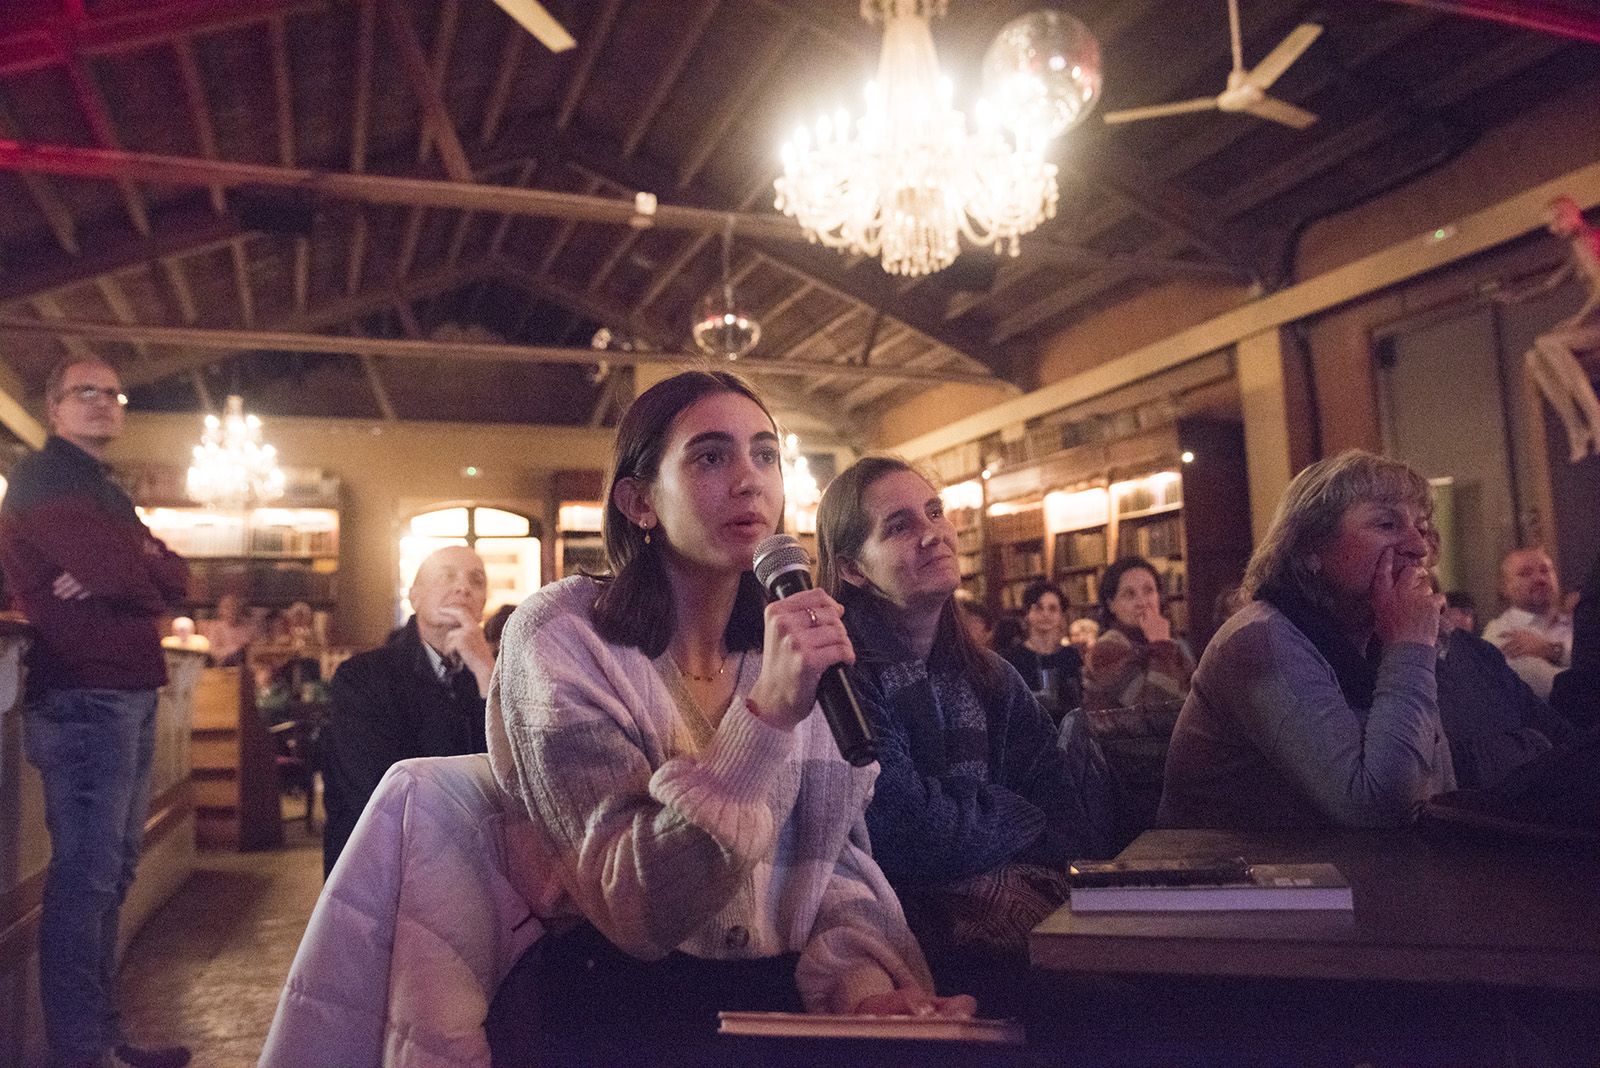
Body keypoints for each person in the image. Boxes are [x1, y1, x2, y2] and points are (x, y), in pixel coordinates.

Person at [484, 373, 967, 1065]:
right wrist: (767, 718)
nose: (750, 482)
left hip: (777, 1000)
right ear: (639, 500)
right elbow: (632, 909)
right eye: (712, 457)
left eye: (765, 455)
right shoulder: (564, 636)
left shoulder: (786, 638)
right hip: (622, 1010)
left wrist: (865, 991)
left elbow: (827, 861)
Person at [814, 457, 1113, 976]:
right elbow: (905, 833)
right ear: (851, 569)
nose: (934, 535)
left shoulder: (994, 677)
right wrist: (1015, 812)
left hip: (1013, 917)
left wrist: (978, 825)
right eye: (900, 526)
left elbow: (1067, 823)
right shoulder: (840, 678)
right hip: (889, 936)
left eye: (934, 512)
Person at [0, 357, 191, 1068]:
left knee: (112, 871)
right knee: (86, 878)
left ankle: (106, 1040)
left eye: (115, 393)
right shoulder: (45, 480)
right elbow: (134, 574)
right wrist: (138, 572)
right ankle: (80, 1052)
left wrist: (136, 568)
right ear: (54, 408)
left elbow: (175, 571)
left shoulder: (98, 487)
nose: (107, 402)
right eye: (88, 392)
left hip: (126, 691)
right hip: (83, 694)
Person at [1159, 451, 1455, 829]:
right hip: (1230, 881)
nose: (1419, 547)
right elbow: (1376, 807)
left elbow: (1438, 792)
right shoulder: (1261, 639)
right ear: (1310, 547)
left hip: (1340, 876)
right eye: (1386, 524)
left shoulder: (1379, 636)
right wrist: (1410, 651)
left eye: (1423, 526)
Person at [321, 545, 494, 875]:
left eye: (476, 580)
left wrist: (486, 674)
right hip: (384, 865)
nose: (463, 587)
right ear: (414, 596)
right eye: (446, 576)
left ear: (483, 604)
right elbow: (381, 792)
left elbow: (511, 779)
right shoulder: (362, 677)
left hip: (478, 866)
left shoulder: (493, 672)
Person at [1081, 557, 1194, 714]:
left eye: (1149, 591)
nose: (1142, 602)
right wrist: (1161, 644)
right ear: (1111, 604)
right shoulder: (1105, 650)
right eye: (1129, 594)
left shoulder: (1173, 643)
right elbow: (1157, 709)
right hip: (1130, 738)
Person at [1481, 547, 1572, 701]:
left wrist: (1551, 650)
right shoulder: (1499, 634)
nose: (1540, 579)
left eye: (1545, 570)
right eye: (1525, 573)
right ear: (1504, 587)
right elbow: (1543, 685)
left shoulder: (1577, 621)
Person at [1001, 579, 1084, 722]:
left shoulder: (1070, 656)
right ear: (1027, 613)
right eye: (1038, 607)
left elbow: (1079, 700)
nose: (1045, 614)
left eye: (1052, 608)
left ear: (1061, 615)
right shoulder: (1012, 657)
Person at [201, 592, 257, 666]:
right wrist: (234, 648)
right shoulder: (216, 628)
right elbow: (214, 652)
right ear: (221, 611)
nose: (231, 611)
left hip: (248, 663)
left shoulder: (249, 627)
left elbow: (256, 646)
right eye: (227, 608)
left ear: (239, 610)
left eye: (234, 607)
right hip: (225, 664)